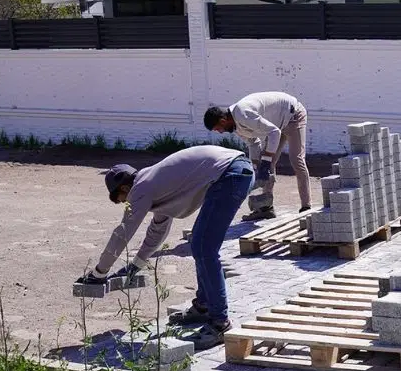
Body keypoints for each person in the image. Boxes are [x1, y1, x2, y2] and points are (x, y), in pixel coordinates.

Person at [74, 145, 255, 344]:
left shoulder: (141, 188)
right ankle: (203, 307)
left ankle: (220, 324)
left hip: (231, 174)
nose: (124, 204)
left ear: (124, 189)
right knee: (200, 244)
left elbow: (123, 232)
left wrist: (98, 274)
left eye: (121, 200)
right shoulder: (156, 186)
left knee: (204, 248)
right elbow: (156, 233)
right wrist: (135, 266)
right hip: (233, 170)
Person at [204, 91, 311, 221]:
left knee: (296, 159)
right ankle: (267, 209)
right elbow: (253, 143)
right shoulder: (235, 125)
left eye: (218, 129)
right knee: (267, 165)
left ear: (223, 120)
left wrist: (265, 162)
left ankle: (306, 207)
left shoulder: (243, 114)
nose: (220, 132)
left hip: (293, 116)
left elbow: (274, 132)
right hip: (277, 124)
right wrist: (255, 167)